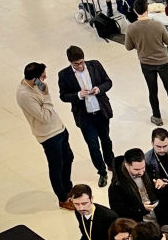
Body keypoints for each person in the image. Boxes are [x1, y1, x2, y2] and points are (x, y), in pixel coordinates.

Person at [17, 62, 74, 208]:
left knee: (68, 158)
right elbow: (44, 117)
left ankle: (68, 188)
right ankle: (63, 198)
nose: (45, 78)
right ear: (34, 78)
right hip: (48, 136)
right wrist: (47, 96)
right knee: (56, 166)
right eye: (43, 76)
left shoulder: (37, 86)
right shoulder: (24, 95)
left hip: (59, 129)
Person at [124, 0, 168, 125]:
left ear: (134, 11)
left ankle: (157, 116)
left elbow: (128, 47)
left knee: (152, 90)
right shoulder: (157, 24)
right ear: (147, 9)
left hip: (146, 63)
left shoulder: (131, 28)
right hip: (163, 62)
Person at [57, 46, 114, 189]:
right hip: (84, 116)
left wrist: (98, 89)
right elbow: (63, 96)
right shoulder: (64, 75)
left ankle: (111, 164)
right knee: (93, 146)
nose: (80, 66)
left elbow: (108, 82)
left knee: (106, 140)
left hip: (101, 111)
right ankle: (101, 172)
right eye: (76, 64)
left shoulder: (95, 65)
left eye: (82, 62)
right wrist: (78, 95)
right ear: (70, 62)